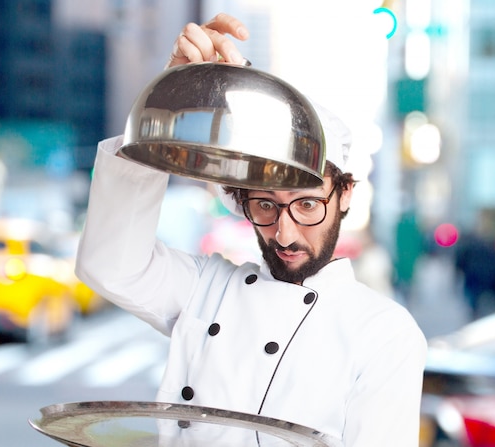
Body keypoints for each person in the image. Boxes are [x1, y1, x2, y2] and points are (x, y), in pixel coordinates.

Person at [76, 13, 427, 447]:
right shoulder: (208, 288)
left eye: (307, 205)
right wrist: (171, 100)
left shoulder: (384, 331)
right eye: (265, 205)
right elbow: (110, 265)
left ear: (346, 194)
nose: (284, 233)